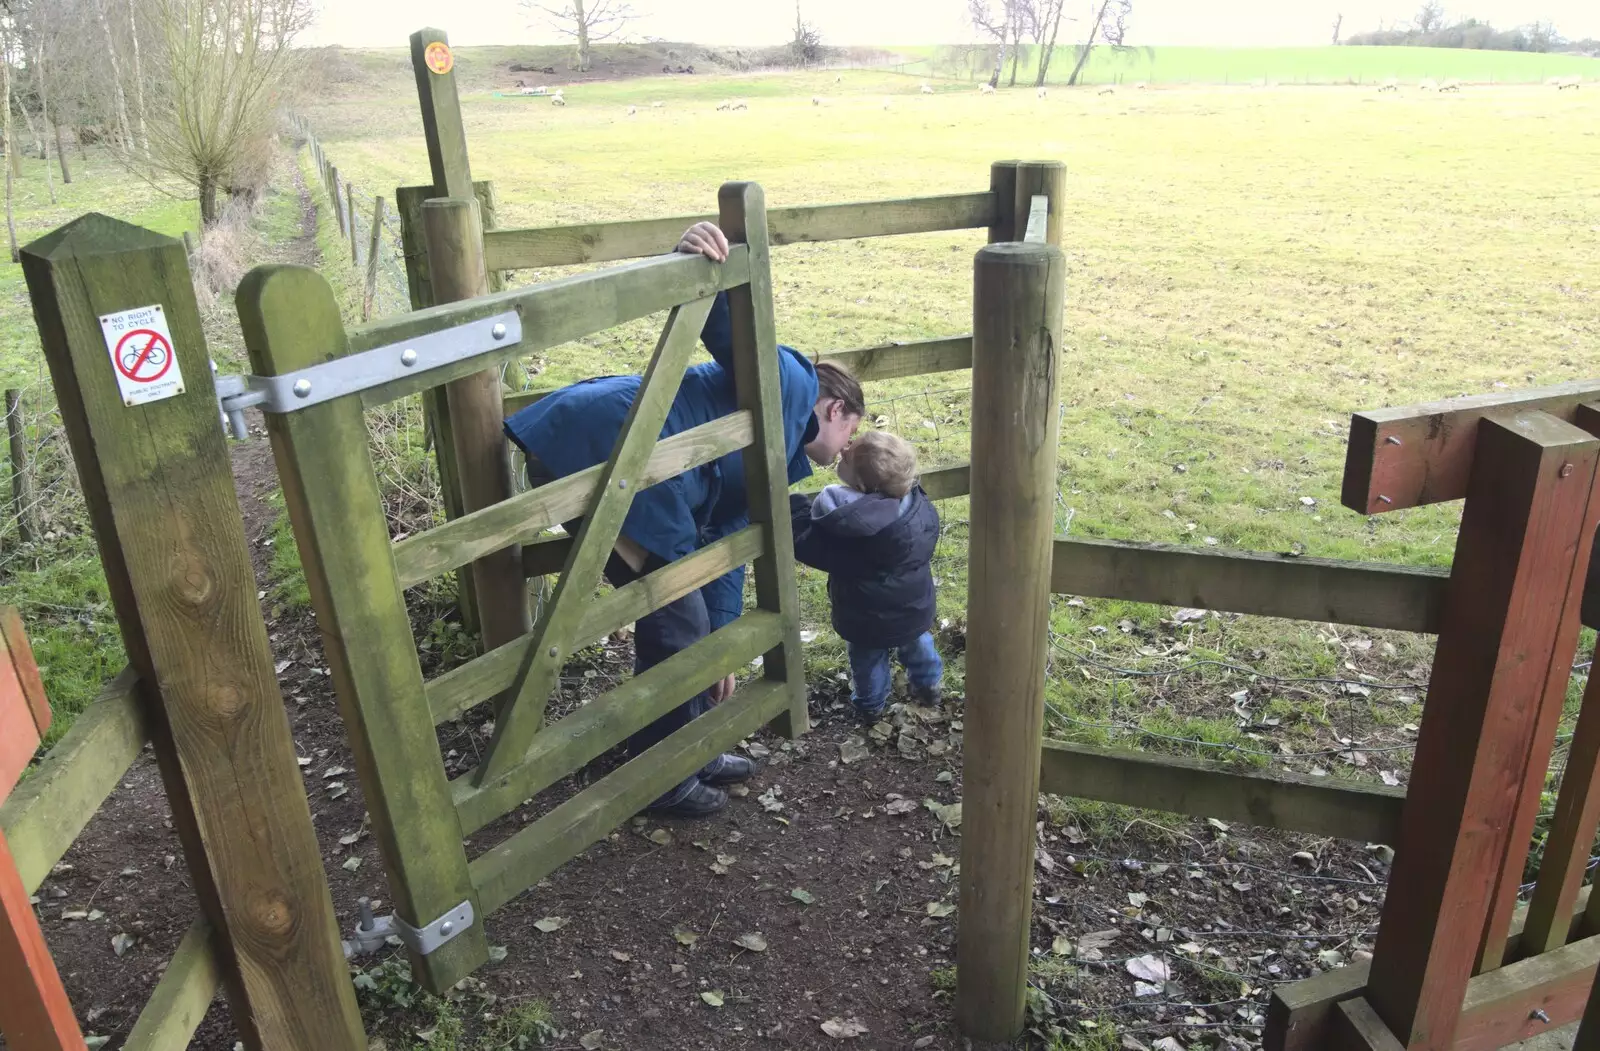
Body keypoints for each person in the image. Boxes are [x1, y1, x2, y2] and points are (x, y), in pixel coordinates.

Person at [503, 222, 866, 818]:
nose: (851, 445)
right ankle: (664, 776)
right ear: (836, 408)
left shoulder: (782, 452)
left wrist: (720, 649)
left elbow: (723, 542)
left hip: (642, 468)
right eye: (853, 429)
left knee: (690, 622)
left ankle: (688, 751)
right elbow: (728, 324)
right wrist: (694, 259)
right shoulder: (792, 383)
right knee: (676, 616)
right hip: (609, 444)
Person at [788, 431, 943, 721]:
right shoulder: (918, 507)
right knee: (919, 643)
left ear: (859, 484)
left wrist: (796, 511)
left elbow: (809, 546)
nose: (843, 447)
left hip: (866, 617)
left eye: (848, 454)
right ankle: (929, 684)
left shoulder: (853, 528)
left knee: (868, 661)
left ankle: (870, 707)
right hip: (914, 608)